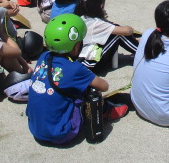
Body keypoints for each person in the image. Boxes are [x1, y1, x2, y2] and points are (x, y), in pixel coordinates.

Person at [26, 14, 128, 145]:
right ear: (75, 46)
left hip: (36, 129)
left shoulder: (43, 56)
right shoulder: (74, 69)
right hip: (62, 133)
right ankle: (106, 110)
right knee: (91, 91)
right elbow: (104, 86)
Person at [75, 0, 139, 71]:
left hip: (79, 58)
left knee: (114, 29)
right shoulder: (96, 23)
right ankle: (143, 52)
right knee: (118, 35)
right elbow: (127, 31)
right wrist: (131, 30)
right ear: (101, 5)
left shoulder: (81, 17)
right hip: (87, 64)